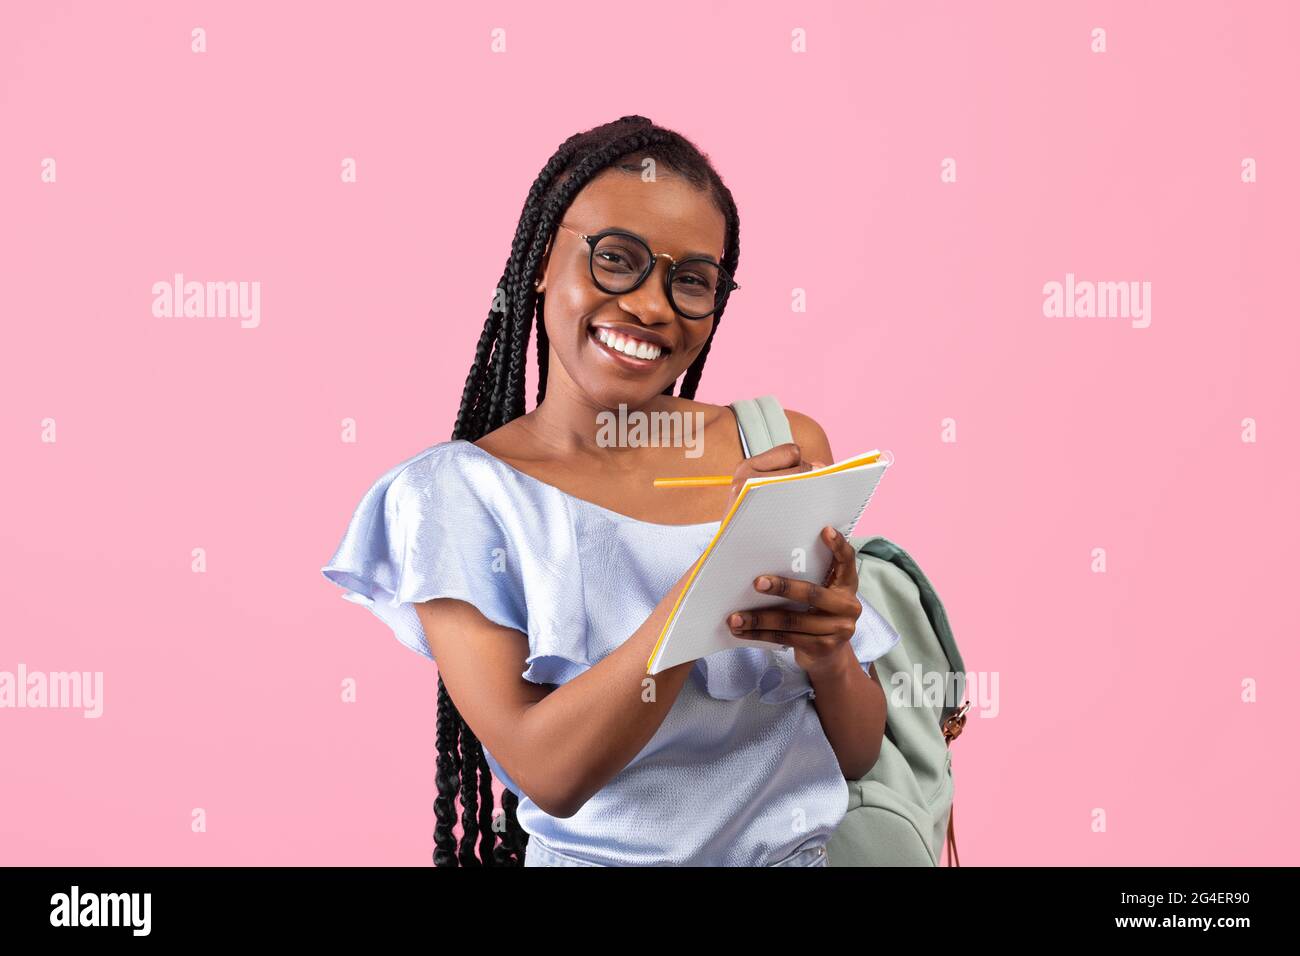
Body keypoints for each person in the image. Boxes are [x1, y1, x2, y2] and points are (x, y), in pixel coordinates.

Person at [321, 115, 899, 866]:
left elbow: (854, 756)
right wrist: (717, 578)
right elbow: (550, 772)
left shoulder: (777, 446)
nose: (653, 306)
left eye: (691, 280)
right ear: (537, 264)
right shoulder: (454, 499)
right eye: (616, 259)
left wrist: (829, 660)